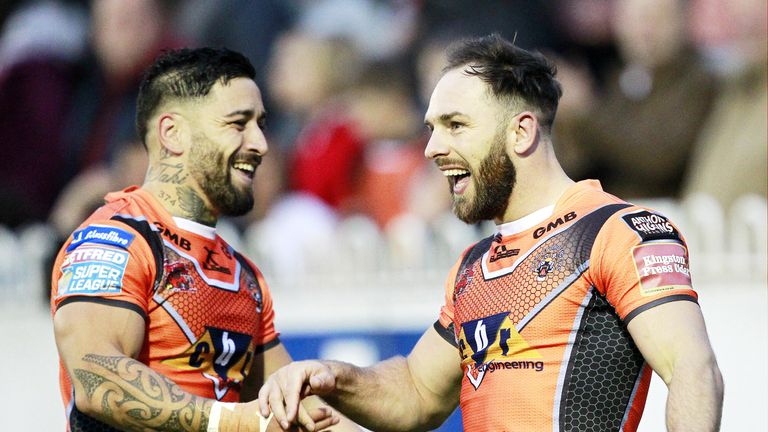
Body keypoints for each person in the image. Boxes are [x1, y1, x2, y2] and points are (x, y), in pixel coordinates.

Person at [257, 34, 724, 431]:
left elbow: (692, 368)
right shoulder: (474, 264)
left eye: (456, 126)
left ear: (521, 133)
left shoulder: (618, 231)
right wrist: (331, 376)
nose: (433, 149)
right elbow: (417, 392)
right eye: (432, 129)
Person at [50, 47, 354, 431]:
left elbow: (300, 409)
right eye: (238, 123)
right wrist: (236, 423)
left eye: (260, 124)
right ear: (172, 133)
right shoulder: (112, 241)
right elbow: (97, 379)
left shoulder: (243, 276)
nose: (260, 143)